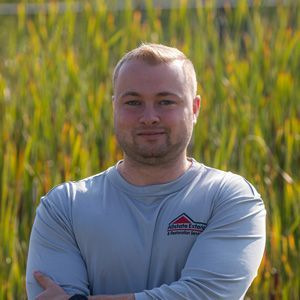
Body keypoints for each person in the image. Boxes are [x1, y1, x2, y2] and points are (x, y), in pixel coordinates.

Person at [26, 43, 266, 300]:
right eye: (133, 102)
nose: (149, 117)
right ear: (114, 107)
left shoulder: (231, 198)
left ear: (195, 109)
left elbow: (207, 295)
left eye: (165, 101)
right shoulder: (64, 207)